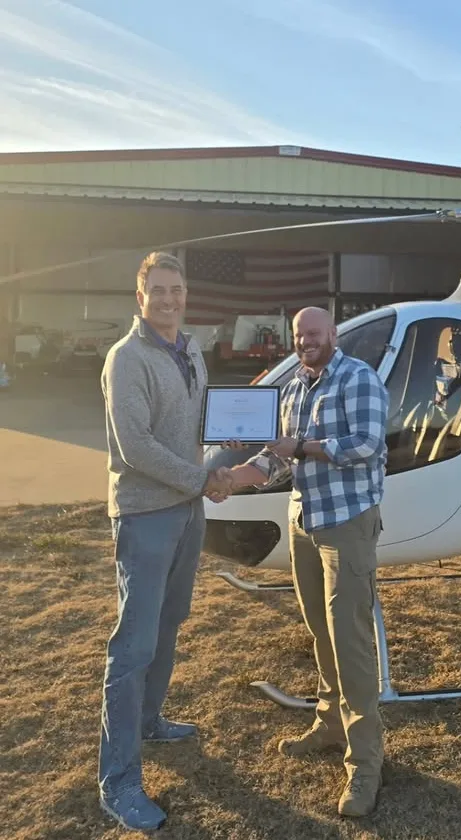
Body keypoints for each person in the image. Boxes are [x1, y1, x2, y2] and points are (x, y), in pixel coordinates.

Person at [227, 306, 389, 818]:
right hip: (303, 519)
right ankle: (329, 723)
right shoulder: (295, 388)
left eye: (314, 334)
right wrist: (234, 477)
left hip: (347, 523)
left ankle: (365, 762)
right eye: (299, 336)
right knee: (320, 630)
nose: (306, 342)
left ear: (333, 335)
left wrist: (302, 446)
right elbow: (278, 458)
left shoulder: (357, 378)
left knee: (351, 639)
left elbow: (366, 443)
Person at [98, 251, 233, 832]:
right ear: (140, 295)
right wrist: (204, 477)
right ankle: (119, 779)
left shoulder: (190, 348)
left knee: (170, 622)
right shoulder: (126, 359)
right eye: (158, 290)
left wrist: (243, 436)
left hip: (187, 511)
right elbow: (138, 447)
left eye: (177, 289)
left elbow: (200, 420)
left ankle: (150, 722)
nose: (169, 299)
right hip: (146, 515)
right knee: (133, 648)